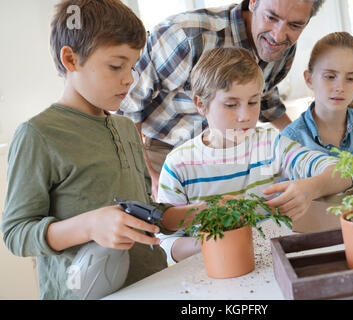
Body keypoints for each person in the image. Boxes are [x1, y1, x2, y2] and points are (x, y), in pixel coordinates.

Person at [1, 0, 204, 300]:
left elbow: (142, 213)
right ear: (70, 59)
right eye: (115, 65)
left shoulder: (126, 128)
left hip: (154, 285)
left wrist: (199, 214)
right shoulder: (38, 135)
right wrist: (89, 225)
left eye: (133, 66)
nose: (129, 78)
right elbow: (16, 233)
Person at [156, 47, 353, 264]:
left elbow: (344, 171)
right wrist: (217, 241)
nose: (245, 116)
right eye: (231, 104)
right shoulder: (179, 164)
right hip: (213, 269)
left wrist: (311, 187)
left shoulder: (270, 144)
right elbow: (165, 245)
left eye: (253, 102)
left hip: (272, 263)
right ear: (201, 104)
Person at [119, 0, 326, 200]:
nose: (278, 35)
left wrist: (310, 144)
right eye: (271, 17)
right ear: (253, 2)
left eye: (295, 25)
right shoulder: (184, 37)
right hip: (166, 151)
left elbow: (266, 101)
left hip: (233, 150)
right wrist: (149, 175)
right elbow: (128, 108)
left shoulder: (281, 46)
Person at [281, 32, 353, 156]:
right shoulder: (291, 140)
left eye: (350, 79)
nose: (340, 88)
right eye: (330, 77)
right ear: (309, 79)